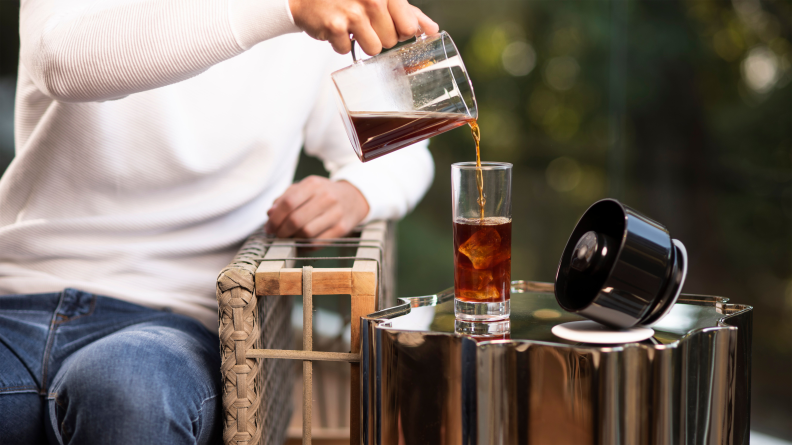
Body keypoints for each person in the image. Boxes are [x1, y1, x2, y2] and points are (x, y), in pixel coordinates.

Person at [0, 0, 438, 443]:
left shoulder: (320, 19)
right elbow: (62, 62)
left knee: (128, 388)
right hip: (14, 299)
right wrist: (287, 8)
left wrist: (354, 195)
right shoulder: (301, 6)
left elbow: (406, 153)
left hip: (174, 319)